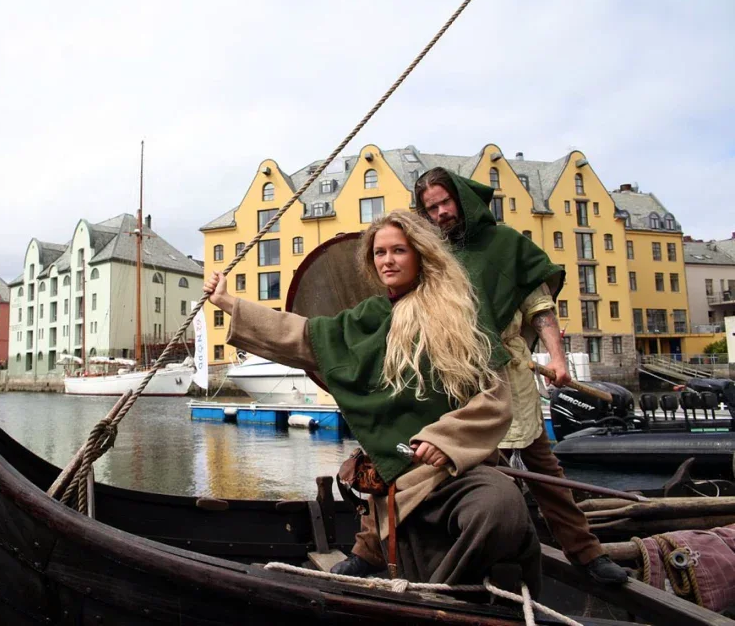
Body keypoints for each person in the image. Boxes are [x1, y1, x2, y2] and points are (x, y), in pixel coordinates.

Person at [205, 210, 542, 593]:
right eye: (380, 252)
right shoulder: (371, 317)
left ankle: (445, 594)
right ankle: (435, 598)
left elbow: (496, 398)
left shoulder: (462, 316)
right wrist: (229, 302)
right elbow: (302, 334)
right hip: (399, 479)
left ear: (420, 254)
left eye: (398, 250)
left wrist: (446, 440)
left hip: (454, 472)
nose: (387, 260)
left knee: (501, 510)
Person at [413, 166, 628, 585]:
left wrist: (558, 359)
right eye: (431, 208)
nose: (440, 213)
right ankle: (461, 557)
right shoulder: (434, 257)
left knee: (544, 472)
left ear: (462, 199)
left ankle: (587, 554)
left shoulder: (505, 244)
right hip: (457, 378)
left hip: (509, 372)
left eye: (444, 202)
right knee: (465, 471)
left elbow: (539, 305)